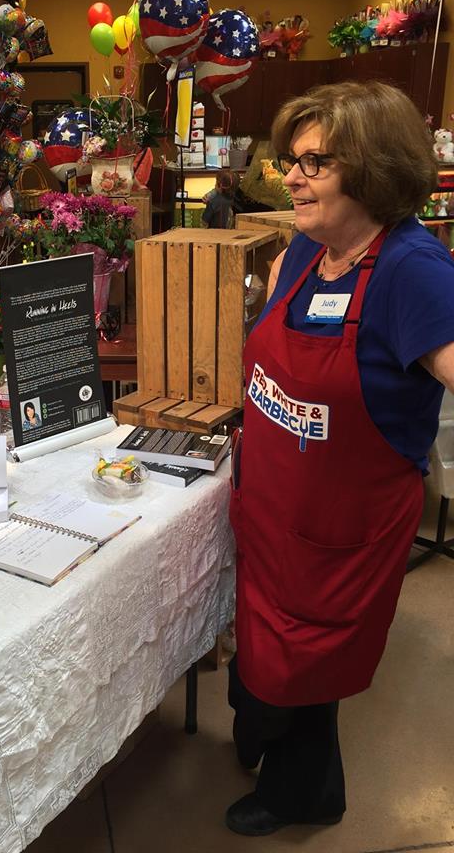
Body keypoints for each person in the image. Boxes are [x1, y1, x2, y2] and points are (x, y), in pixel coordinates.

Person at [226, 80, 454, 836]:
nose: (291, 178)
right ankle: (262, 732)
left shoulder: (413, 270)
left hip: (340, 529)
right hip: (273, 511)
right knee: (266, 650)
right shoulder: (307, 249)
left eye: (314, 162)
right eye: (291, 160)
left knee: (307, 664)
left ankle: (306, 796)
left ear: (374, 167)